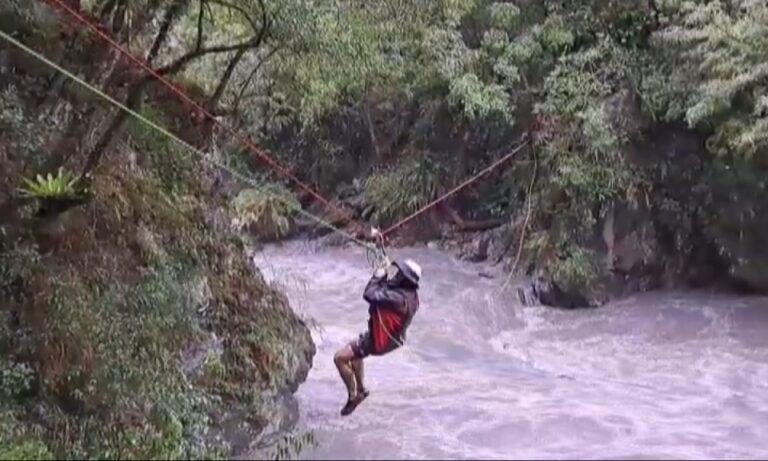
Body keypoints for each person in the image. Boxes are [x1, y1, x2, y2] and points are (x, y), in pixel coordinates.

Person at [333, 250, 422, 416]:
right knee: (356, 353)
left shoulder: (398, 300)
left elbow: (369, 294)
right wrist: (384, 271)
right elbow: (387, 289)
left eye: (400, 274)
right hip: (390, 338)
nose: (397, 275)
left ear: (405, 279)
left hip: (381, 341)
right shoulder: (411, 296)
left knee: (340, 358)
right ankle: (361, 389)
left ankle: (354, 396)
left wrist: (378, 275)